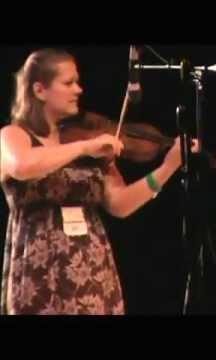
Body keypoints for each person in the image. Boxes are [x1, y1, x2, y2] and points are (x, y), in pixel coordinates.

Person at [0, 48, 198, 314]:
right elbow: (22, 166)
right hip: (39, 271)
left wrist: (169, 166)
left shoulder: (88, 141)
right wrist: (84, 147)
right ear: (39, 90)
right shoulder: (13, 135)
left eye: (78, 82)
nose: (79, 90)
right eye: (68, 82)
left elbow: (120, 204)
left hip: (93, 270)